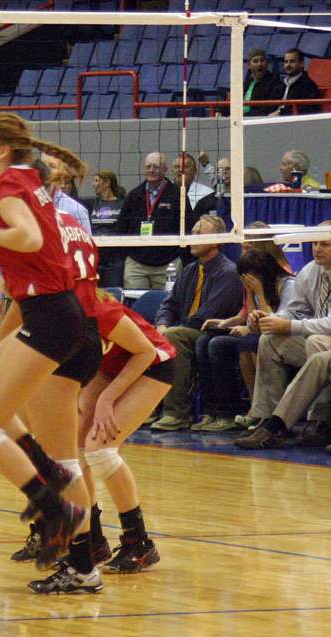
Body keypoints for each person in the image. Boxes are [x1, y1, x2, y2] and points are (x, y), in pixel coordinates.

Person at [0, 112, 89, 570]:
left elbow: (29, 239)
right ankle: (48, 474)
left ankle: (56, 509)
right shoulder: (25, 179)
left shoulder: (7, 188)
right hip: (46, 313)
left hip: (52, 317)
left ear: (2, 151)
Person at [235, 222, 331, 446]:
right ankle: (267, 417)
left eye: (324, 244)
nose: (317, 249)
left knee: (317, 341)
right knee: (270, 339)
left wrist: (290, 326)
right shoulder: (310, 270)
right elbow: (295, 309)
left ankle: (323, 420)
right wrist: (270, 319)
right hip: (322, 340)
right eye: (314, 243)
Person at [78, 292, 177, 572]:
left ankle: (140, 544)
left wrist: (106, 399)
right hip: (109, 366)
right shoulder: (53, 311)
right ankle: (92, 540)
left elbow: (145, 351)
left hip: (153, 364)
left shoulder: (100, 310)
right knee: (75, 451)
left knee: (100, 451)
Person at [148, 216, 243, 431]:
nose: (193, 237)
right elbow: (168, 305)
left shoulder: (228, 273)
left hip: (209, 332)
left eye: (200, 233)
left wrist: (170, 331)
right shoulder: (189, 270)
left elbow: (207, 315)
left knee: (173, 336)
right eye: (193, 232)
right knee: (148, 336)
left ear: (217, 241)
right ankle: (148, 407)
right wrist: (162, 324)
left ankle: (176, 413)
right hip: (184, 330)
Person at [193, 248, 295, 432]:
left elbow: (272, 321)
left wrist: (260, 293)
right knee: (210, 342)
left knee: (246, 343)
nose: (246, 283)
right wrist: (249, 294)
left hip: (283, 336)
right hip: (262, 334)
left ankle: (261, 410)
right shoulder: (252, 288)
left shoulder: (287, 285)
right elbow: (252, 318)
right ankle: (223, 411)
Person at [115, 151, 192, 289]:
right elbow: (122, 228)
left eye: (156, 167)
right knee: (135, 305)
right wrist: (128, 256)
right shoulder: (134, 195)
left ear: (165, 170)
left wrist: (179, 258)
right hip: (136, 265)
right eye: (148, 166)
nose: (151, 170)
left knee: (168, 305)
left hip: (168, 264)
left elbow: (188, 227)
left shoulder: (177, 195)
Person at [89, 169, 127, 289]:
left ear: (107, 183)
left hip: (114, 261)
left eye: (96, 181)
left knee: (113, 295)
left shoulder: (122, 204)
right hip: (95, 259)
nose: (93, 184)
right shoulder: (91, 204)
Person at [273, 48, 322, 116]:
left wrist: (280, 113)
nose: (288, 65)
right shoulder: (280, 85)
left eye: (292, 61)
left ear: (301, 63)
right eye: (286, 62)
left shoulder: (308, 86)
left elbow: (306, 110)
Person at [240, 48, 283, 117]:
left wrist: (244, 116)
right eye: (255, 61)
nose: (259, 64)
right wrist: (220, 110)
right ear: (249, 65)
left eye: (262, 60)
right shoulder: (247, 83)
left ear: (267, 64)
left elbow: (268, 109)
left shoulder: (274, 82)